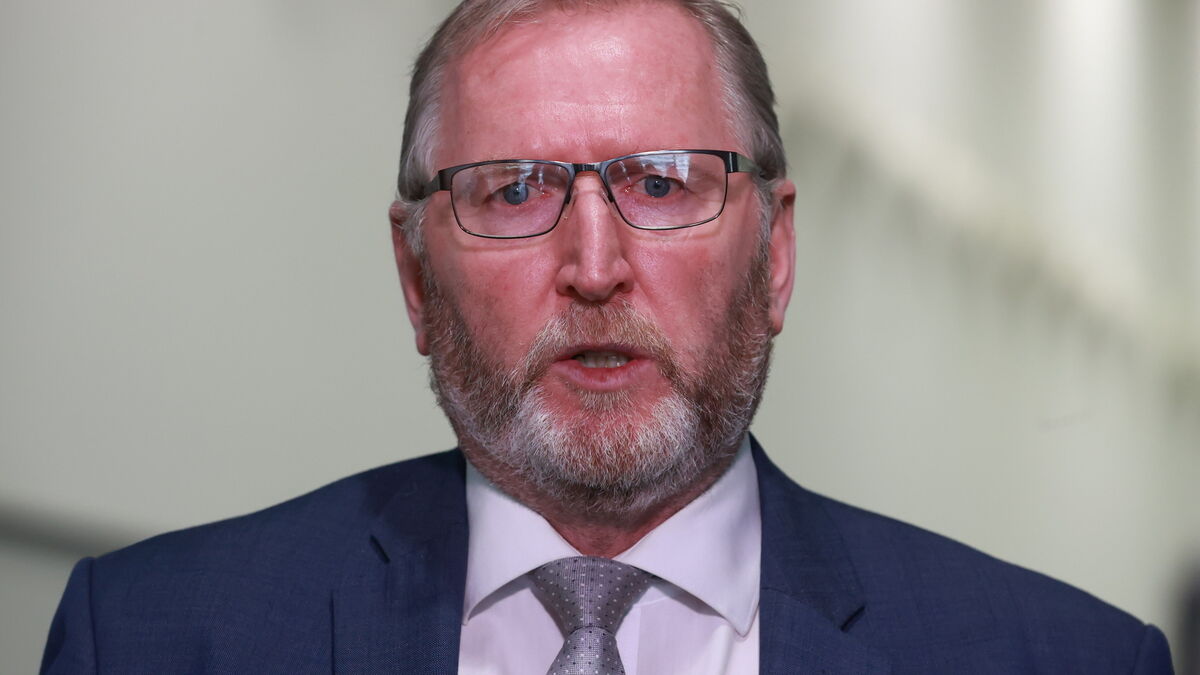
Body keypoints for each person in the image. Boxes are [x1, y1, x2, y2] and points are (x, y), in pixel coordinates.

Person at [40, 1, 1174, 673]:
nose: (594, 265)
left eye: (663, 183)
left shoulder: (1058, 659)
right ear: (415, 276)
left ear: (776, 252)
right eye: (514, 190)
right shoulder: (149, 640)